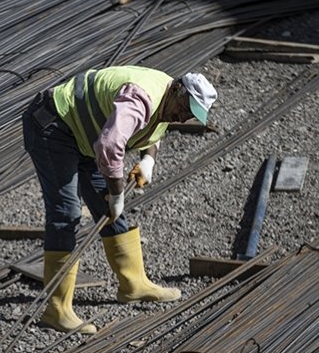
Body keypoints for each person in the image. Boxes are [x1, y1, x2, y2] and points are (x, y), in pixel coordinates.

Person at [22, 65, 217, 334]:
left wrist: (148, 160)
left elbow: (154, 127)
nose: (183, 118)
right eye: (185, 109)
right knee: (66, 212)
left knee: (109, 208)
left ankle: (132, 285)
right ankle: (57, 310)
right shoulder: (141, 97)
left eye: (191, 115)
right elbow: (110, 145)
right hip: (54, 125)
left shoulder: (168, 97)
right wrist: (116, 193)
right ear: (177, 89)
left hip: (85, 134)